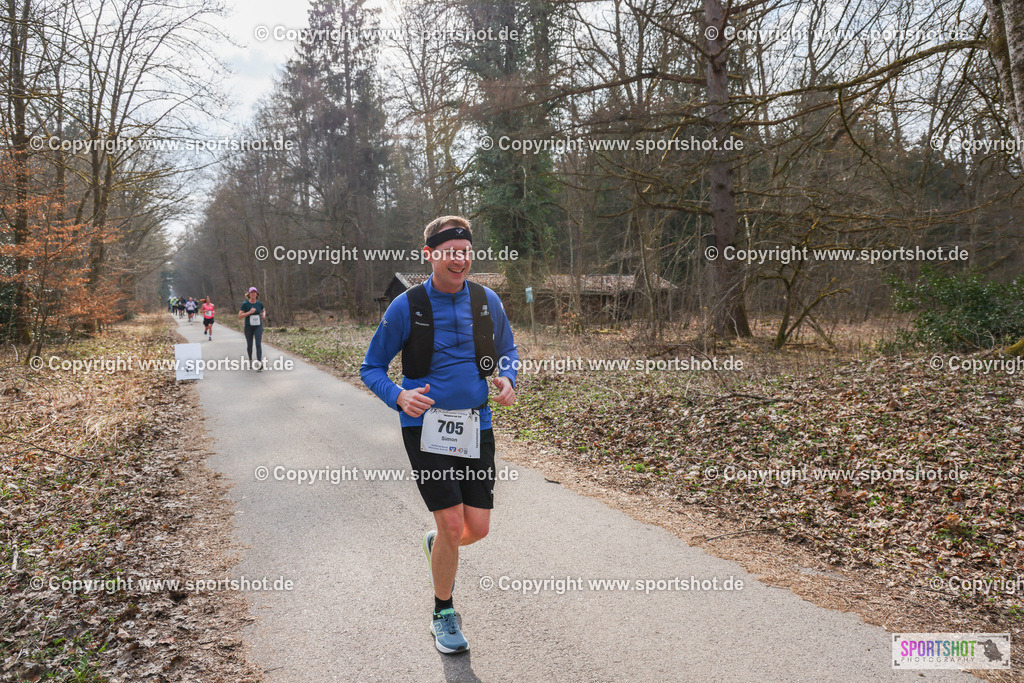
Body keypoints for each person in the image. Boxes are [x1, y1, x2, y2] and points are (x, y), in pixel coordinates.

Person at [360, 215, 518, 655]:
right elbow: (371, 367)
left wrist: (508, 378)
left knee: (477, 528)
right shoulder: (406, 306)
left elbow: (507, 351)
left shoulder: (487, 301)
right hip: (424, 428)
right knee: (451, 522)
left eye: (465, 252)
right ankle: (443, 613)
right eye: (450, 252)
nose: (459, 260)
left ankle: (439, 545)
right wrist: (398, 397)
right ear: (429, 255)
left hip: (476, 425)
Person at [238, 287, 266, 370]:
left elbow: (263, 310)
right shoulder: (245, 304)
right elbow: (239, 316)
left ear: (257, 294)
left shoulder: (259, 304)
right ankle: (250, 360)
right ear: (249, 294)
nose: (253, 294)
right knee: (250, 345)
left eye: (255, 292)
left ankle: (259, 362)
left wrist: (263, 315)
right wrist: (249, 312)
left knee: (258, 344)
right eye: (251, 292)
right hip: (248, 327)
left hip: (258, 326)